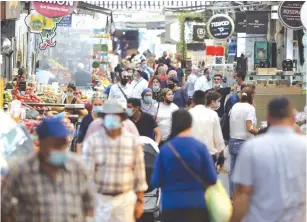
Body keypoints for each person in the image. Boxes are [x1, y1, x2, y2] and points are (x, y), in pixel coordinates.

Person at [1, 118, 95, 222]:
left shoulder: (77, 167)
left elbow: (89, 205)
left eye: (63, 143)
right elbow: (4, 207)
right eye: (55, 144)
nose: (60, 148)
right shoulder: (21, 170)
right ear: (41, 143)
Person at [230, 97, 306, 222]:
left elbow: (242, 194)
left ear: (268, 118)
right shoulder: (304, 147)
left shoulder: (252, 147)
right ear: (293, 119)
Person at [82, 100, 148, 222]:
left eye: (115, 115)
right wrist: (86, 204)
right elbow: (85, 175)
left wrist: (140, 201)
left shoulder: (132, 142)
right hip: (100, 200)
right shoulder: (93, 141)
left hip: (125, 200)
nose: (111, 118)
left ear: (122, 118)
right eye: (108, 115)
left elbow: (139, 174)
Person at [152, 110, 217, 222]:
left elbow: (156, 181)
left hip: (171, 205)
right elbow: (212, 178)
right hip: (197, 204)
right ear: (190, 124)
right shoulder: (200, 147)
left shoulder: (165, 149)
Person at [228, 87, 258, 197]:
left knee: (233, 172)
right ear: (251, 96)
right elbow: (249, 127)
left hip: (233, 141)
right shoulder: (250, 108)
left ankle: (232, 196)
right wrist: (261, 132)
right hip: (245, 143)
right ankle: (243, 198)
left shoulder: (235, 106)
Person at [189, 90, 225, 165]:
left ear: (193, 101)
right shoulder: (213, 114)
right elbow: (218, 137)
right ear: (205, 100)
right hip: (208, 155)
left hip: (191, 155)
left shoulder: (187, 114)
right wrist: (221, 156)